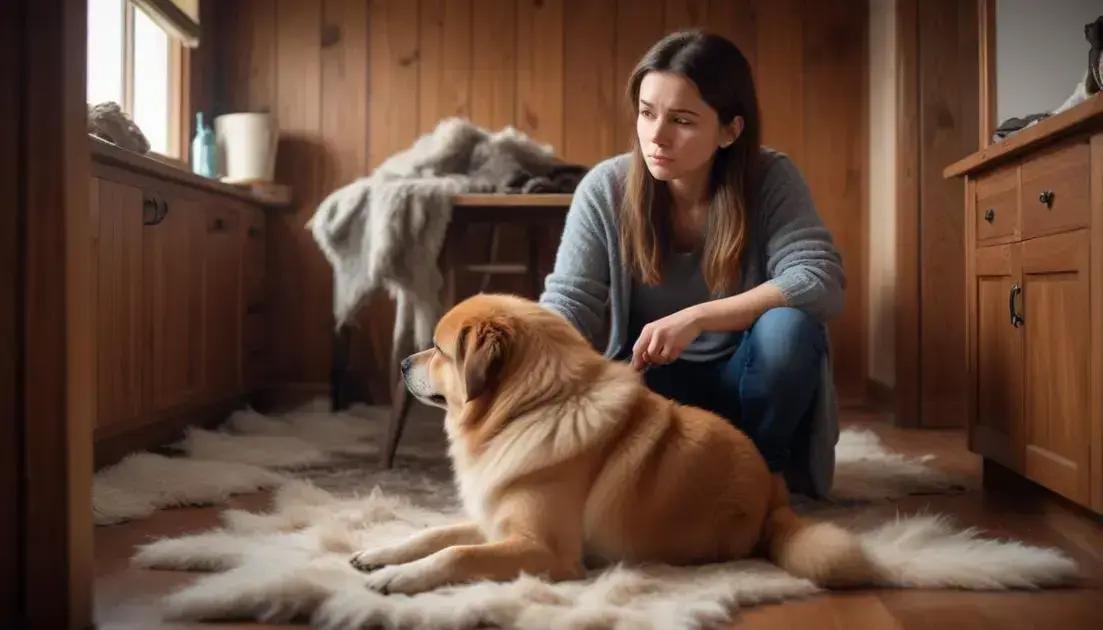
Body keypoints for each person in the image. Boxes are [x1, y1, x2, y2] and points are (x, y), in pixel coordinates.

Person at [538, 30, 846, 497]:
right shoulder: (606, 188)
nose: (656, 137)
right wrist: (520, 351)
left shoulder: (770, 179)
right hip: (649, 393)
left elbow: (818, 280)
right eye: (647, 113)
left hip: (749, 387)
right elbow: (570, 302)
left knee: (790, 328)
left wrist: (697, 318)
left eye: (681, 120)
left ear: (729, 131)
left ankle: (759, 478)